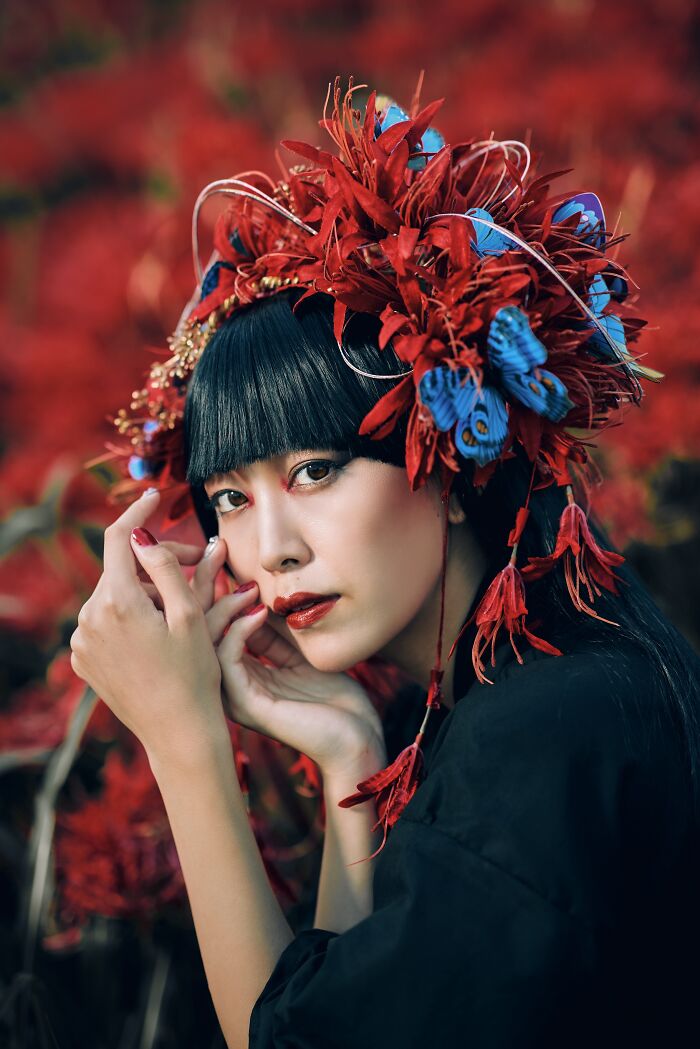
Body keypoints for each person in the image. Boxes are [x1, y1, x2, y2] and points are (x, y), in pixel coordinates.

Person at [71, 76, 700, 1047]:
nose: (268, 545)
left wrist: (183, 742)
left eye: (316, 469)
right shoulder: (550, 673)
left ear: (445, 459)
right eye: (230, 497)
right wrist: (348, 757)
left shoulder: (540, 733)